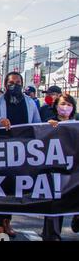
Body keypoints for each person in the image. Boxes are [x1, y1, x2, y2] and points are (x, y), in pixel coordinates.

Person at [0, 72, 41, 240]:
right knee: (0, 186)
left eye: (17, 82)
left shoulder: (30, 103)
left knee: (15, 188)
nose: (14, 85)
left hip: (22, 152)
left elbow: (38, 124)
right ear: (5, 85)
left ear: (22, 84)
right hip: (1, 150)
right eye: (11, 82)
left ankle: (8, 221)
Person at [41, 94, 78, 240]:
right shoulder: (48, 123)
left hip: (75, 169)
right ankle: (51, 235)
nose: (65, 107)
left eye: (69, 104)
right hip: (55, 169)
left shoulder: (76, 123)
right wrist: (47, 128)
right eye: (63, 104)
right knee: (55, 202)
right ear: (56, 106)